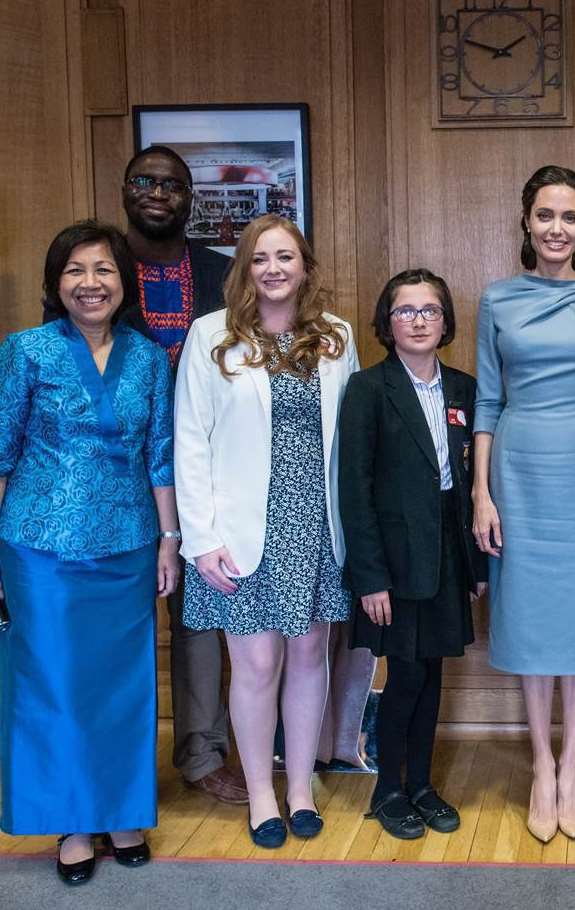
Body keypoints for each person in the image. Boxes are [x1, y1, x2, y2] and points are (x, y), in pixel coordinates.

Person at [0, 221, 179, 884]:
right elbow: (0, 453)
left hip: (130, 544)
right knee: (55, 686)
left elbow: (159, 455)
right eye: (75, 271)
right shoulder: (26, 352)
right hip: (40, 546)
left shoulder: (148, 356)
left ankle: (121, 811)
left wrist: (169, 541)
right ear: (55, 284)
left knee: (121, 687)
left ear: (123, 283)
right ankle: (73, 822)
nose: (90, 283)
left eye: (103, 270)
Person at [174, 214, 359, 848]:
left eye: (286, 257)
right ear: (244, 269)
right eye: (260, 259)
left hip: (315, 524)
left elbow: (348, 442)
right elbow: (190, 442)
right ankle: (260, 795)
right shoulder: (211, 337)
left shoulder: (334, 336)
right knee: (254, 665)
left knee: (309, 657)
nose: (274, 269)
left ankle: (301, 787)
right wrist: (200, 539)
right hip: (240, 531)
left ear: (305, 267)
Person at [473, 165, 575, 843]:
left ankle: (572, 763)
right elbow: (486, 400)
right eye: (544, 215)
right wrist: (481, 493)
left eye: (568, 217)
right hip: (516, 469)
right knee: (530, 622)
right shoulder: (496, 300)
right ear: (525, 221)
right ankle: (540, 765)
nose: (555, 228)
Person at [340, 269, 486, 840]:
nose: (419, 319)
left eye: (430, 309)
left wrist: (475, 567)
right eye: (406, 310)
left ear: (446, 321)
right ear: (388, 322)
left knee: (433, 675)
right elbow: (354, 489)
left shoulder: (463, 389)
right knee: (404, 676)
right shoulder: (369, 390)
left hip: (448, 558)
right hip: (395, 567)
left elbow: (473, 483)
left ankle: (422, 785)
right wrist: (370, 578)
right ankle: (389, 789)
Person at [121, 144, 246, 805]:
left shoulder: (222, 274)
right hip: (114, 470)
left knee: (199, 614)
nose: (157, 192)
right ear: (125, 191)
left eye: (171, 184)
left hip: (203, 466)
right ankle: (122, 762)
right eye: (144, 180)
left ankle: (201, 756)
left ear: (189, 197)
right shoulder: (100, 266)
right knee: (118, 618)